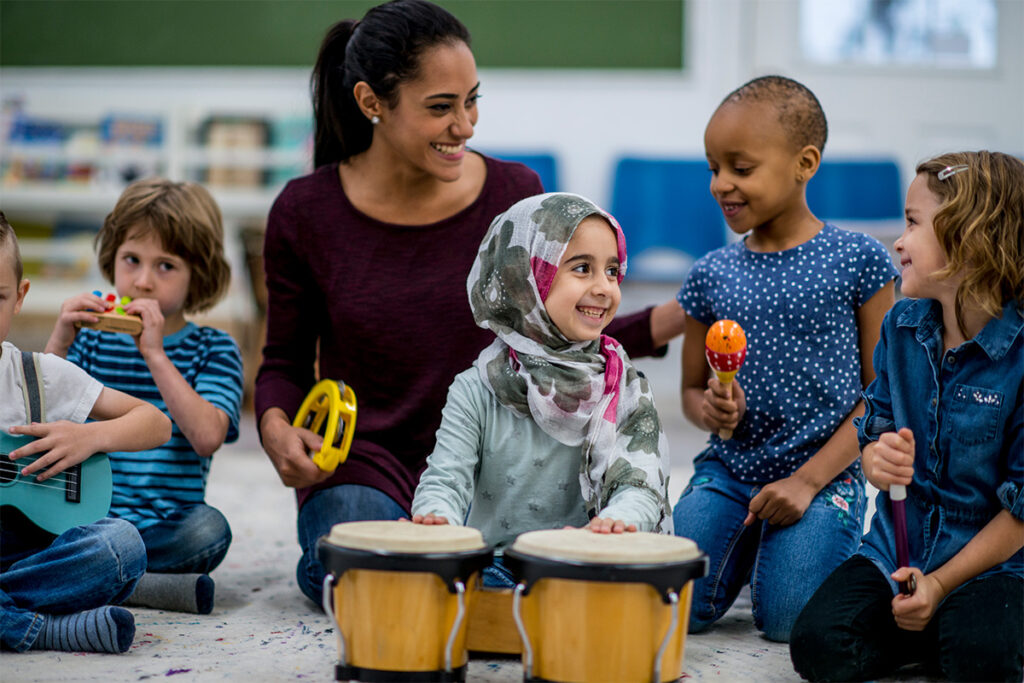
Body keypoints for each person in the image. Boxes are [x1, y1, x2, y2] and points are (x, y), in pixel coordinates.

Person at [255, 0, 687, 605]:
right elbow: (284, 363)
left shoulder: (516, 195)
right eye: (441, 107)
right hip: (366, 460)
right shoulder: (305, 212)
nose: (466, 125)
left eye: (472, 100)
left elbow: (556, 330)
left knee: (516, 578)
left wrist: (669, 320)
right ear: (370, 102)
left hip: (498, 455)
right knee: (363, 583)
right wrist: (276, 427)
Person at [670, 75, 897, 642]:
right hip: (730, 471)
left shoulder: (859, 261)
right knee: (677, 607)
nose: (722, 184)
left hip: (824, 475)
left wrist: (805, 482)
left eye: (740, 169)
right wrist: (712, 411)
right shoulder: (709, 274)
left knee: (789, 622)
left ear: (806, 162)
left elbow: (882, 396)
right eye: (712, 168)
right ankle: (751, 546)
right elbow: (692, 394)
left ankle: (794, 551)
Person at [790, 151, 1024, 682]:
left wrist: (940, 586)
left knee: (980, 659)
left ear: (972, 238)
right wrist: (878, 462)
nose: (898, 241)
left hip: (994, 564)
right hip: (900, 546)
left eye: (913, 223)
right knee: (817, 645)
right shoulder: (901, 326)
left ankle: (949, 625)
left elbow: (1021, 514)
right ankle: (935, 631)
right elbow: (874, 433)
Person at [410, 193, 672, 582]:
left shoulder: (623, 385)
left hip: (593, 561)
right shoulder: (475, 388)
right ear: (526, 277)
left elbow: (641, 482)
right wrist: (436, 519)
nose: (604, 287)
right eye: (582, 268)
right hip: (502, 564)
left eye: (613, 271)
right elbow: (446, 479)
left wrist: (617, 523)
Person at [45, 179, 244, 615]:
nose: (142, 281)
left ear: (198, 276)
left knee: (210, 530)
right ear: (112, 257)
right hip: (83, 516)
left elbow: (207, 436)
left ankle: (94, 573)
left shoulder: (214, 348)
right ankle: (140, 583)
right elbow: (33, 411)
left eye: (166, 266)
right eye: (131, 260)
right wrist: (59, 341)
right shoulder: (92, 341)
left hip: (164, 526)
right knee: (25, 516)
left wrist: (155, 354)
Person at [0, 212, 172, 653]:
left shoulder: (36, 375)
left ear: (19, 297)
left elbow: (155, 422)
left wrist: (89, 437)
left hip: (32, 555)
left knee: (120, 546)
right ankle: (46, 628)